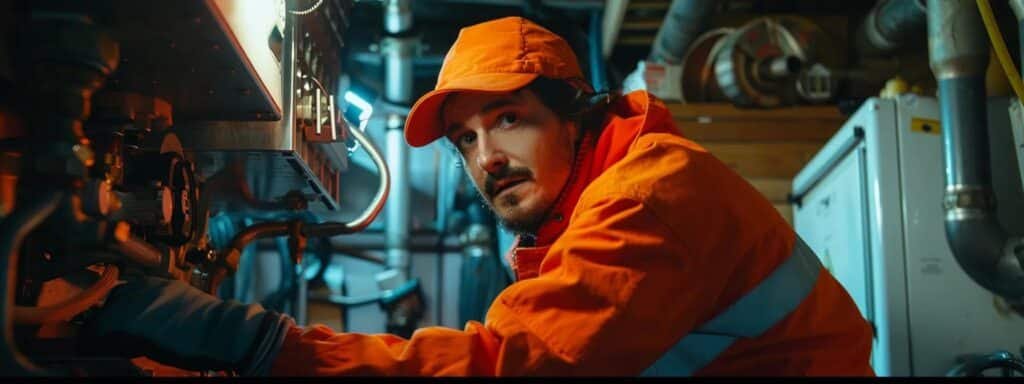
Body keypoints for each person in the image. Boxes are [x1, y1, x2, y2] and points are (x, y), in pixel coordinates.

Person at [81, 16, 874, 376]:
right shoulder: (598, 201)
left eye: (509, 119)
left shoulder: (647, 198)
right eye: (465, 140)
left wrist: (253, 341)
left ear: (573, 113)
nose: (487, 158)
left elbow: (506, 368)